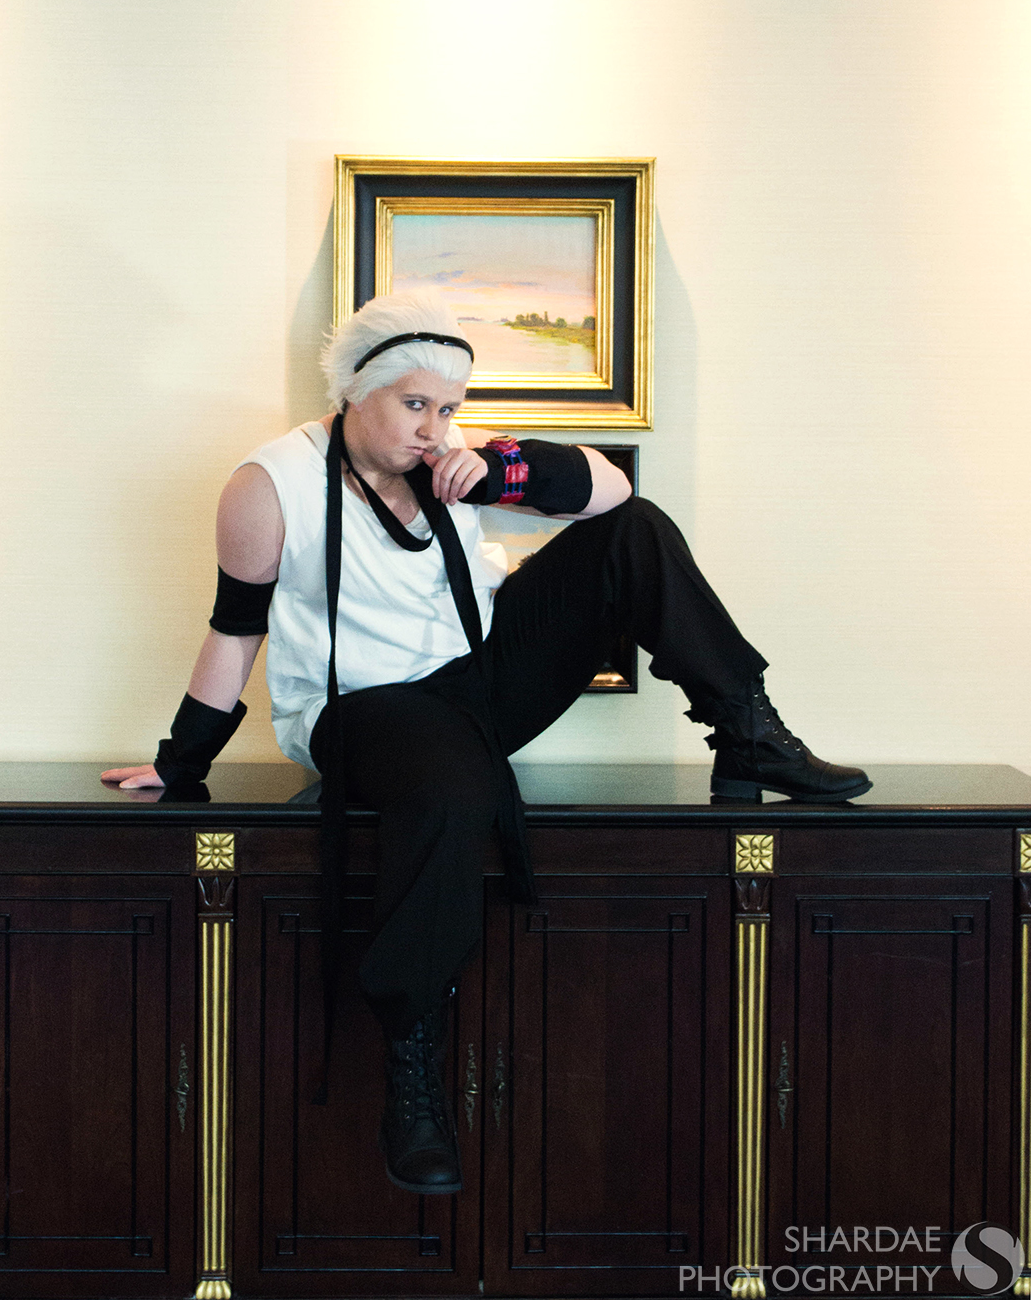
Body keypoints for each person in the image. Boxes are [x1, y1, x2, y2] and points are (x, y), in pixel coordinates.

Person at [101, 290, 870, 1196]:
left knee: (634, 533)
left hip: (476, 681)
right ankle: (411, 1059)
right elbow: (236, 630)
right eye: (414, 405)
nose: (434, 427)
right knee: (452, 788)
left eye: (448, 407)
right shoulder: (270, 485)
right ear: (356, 390)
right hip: (360, 710)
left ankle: (746, 732)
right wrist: (181, 761)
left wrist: (508, 470)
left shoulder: (454, 459)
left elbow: (618, 493)